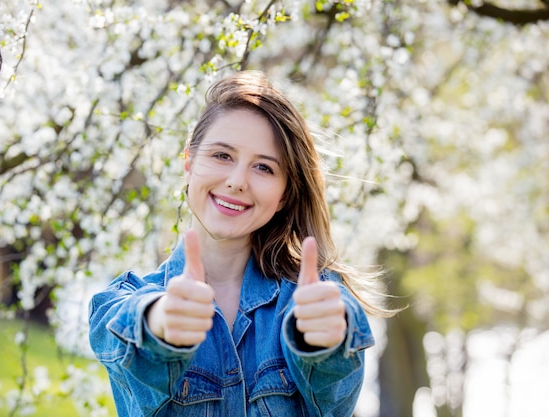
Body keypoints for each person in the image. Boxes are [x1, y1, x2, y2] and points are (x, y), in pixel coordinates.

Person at [88, 70, 391, 417]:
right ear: (189, 163)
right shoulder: (125, 300)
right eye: (222, 156)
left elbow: (335, 397)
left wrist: (323, 340)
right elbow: (119, 333)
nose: (236, 182)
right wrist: (159, 322)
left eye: (263, 168)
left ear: (283, 195)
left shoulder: (313, 302)